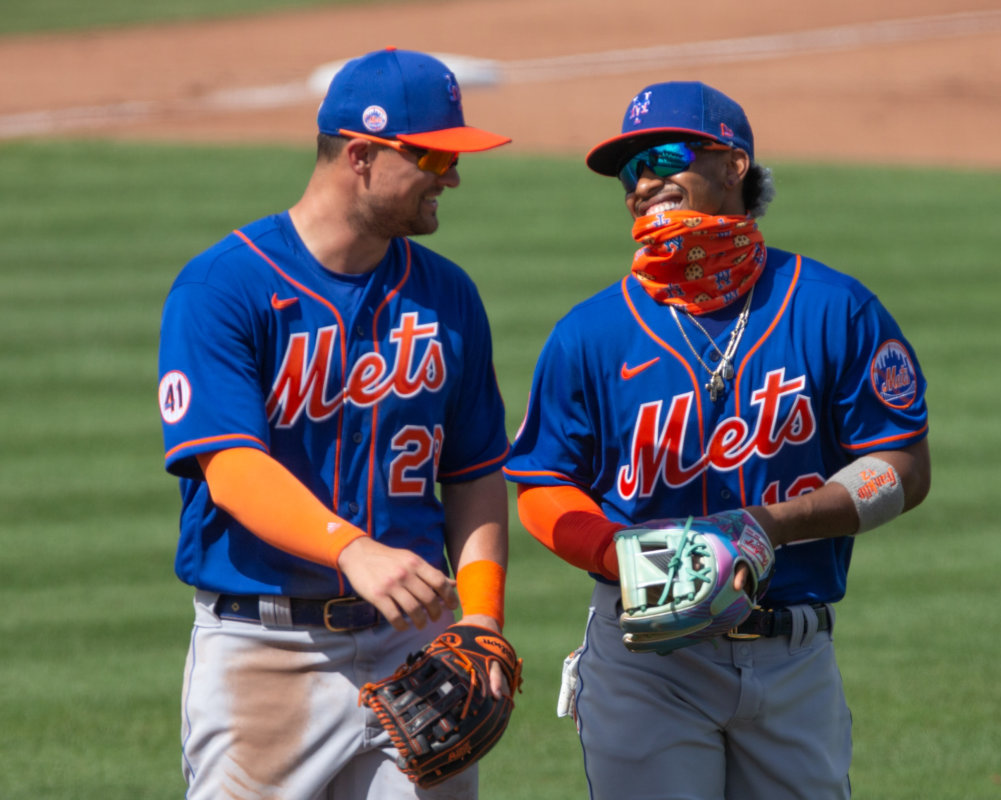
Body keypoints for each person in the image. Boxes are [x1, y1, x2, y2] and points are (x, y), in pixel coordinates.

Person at [503, 81, 932, 799]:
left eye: (664, 154)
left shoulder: (831, 308)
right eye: (629, 168)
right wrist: (618, 554)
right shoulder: (590, 334)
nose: (644, 179)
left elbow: (902, 468)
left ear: (734, 165)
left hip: (792, 656)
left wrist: (770, 526)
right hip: (646, 659)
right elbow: (542, 485)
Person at [157, 48, 513, 800]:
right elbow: (230, 466)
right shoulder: (225, 287)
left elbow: (475, 471)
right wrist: (352, 549)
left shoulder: (448, 295)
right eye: (433, 157)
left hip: (417, 652)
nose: (452, 176)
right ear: (361, 155)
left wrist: (480, 622)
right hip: (264, 650)